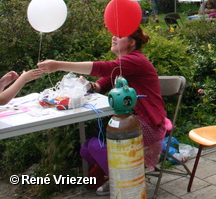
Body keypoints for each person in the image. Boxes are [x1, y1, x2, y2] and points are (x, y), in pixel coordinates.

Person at [38, 27, 167, 196]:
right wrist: (88, 86)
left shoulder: (135, 60)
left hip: (147, 124)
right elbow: (102, 83)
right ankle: (118, 177)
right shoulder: (122, 65)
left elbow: (103, 68)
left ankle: (129, 180)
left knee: (93, 145)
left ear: (132, 42)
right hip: (128, 123)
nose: (113, 37)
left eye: (119, 35)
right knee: (86, 149)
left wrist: (58, 65)